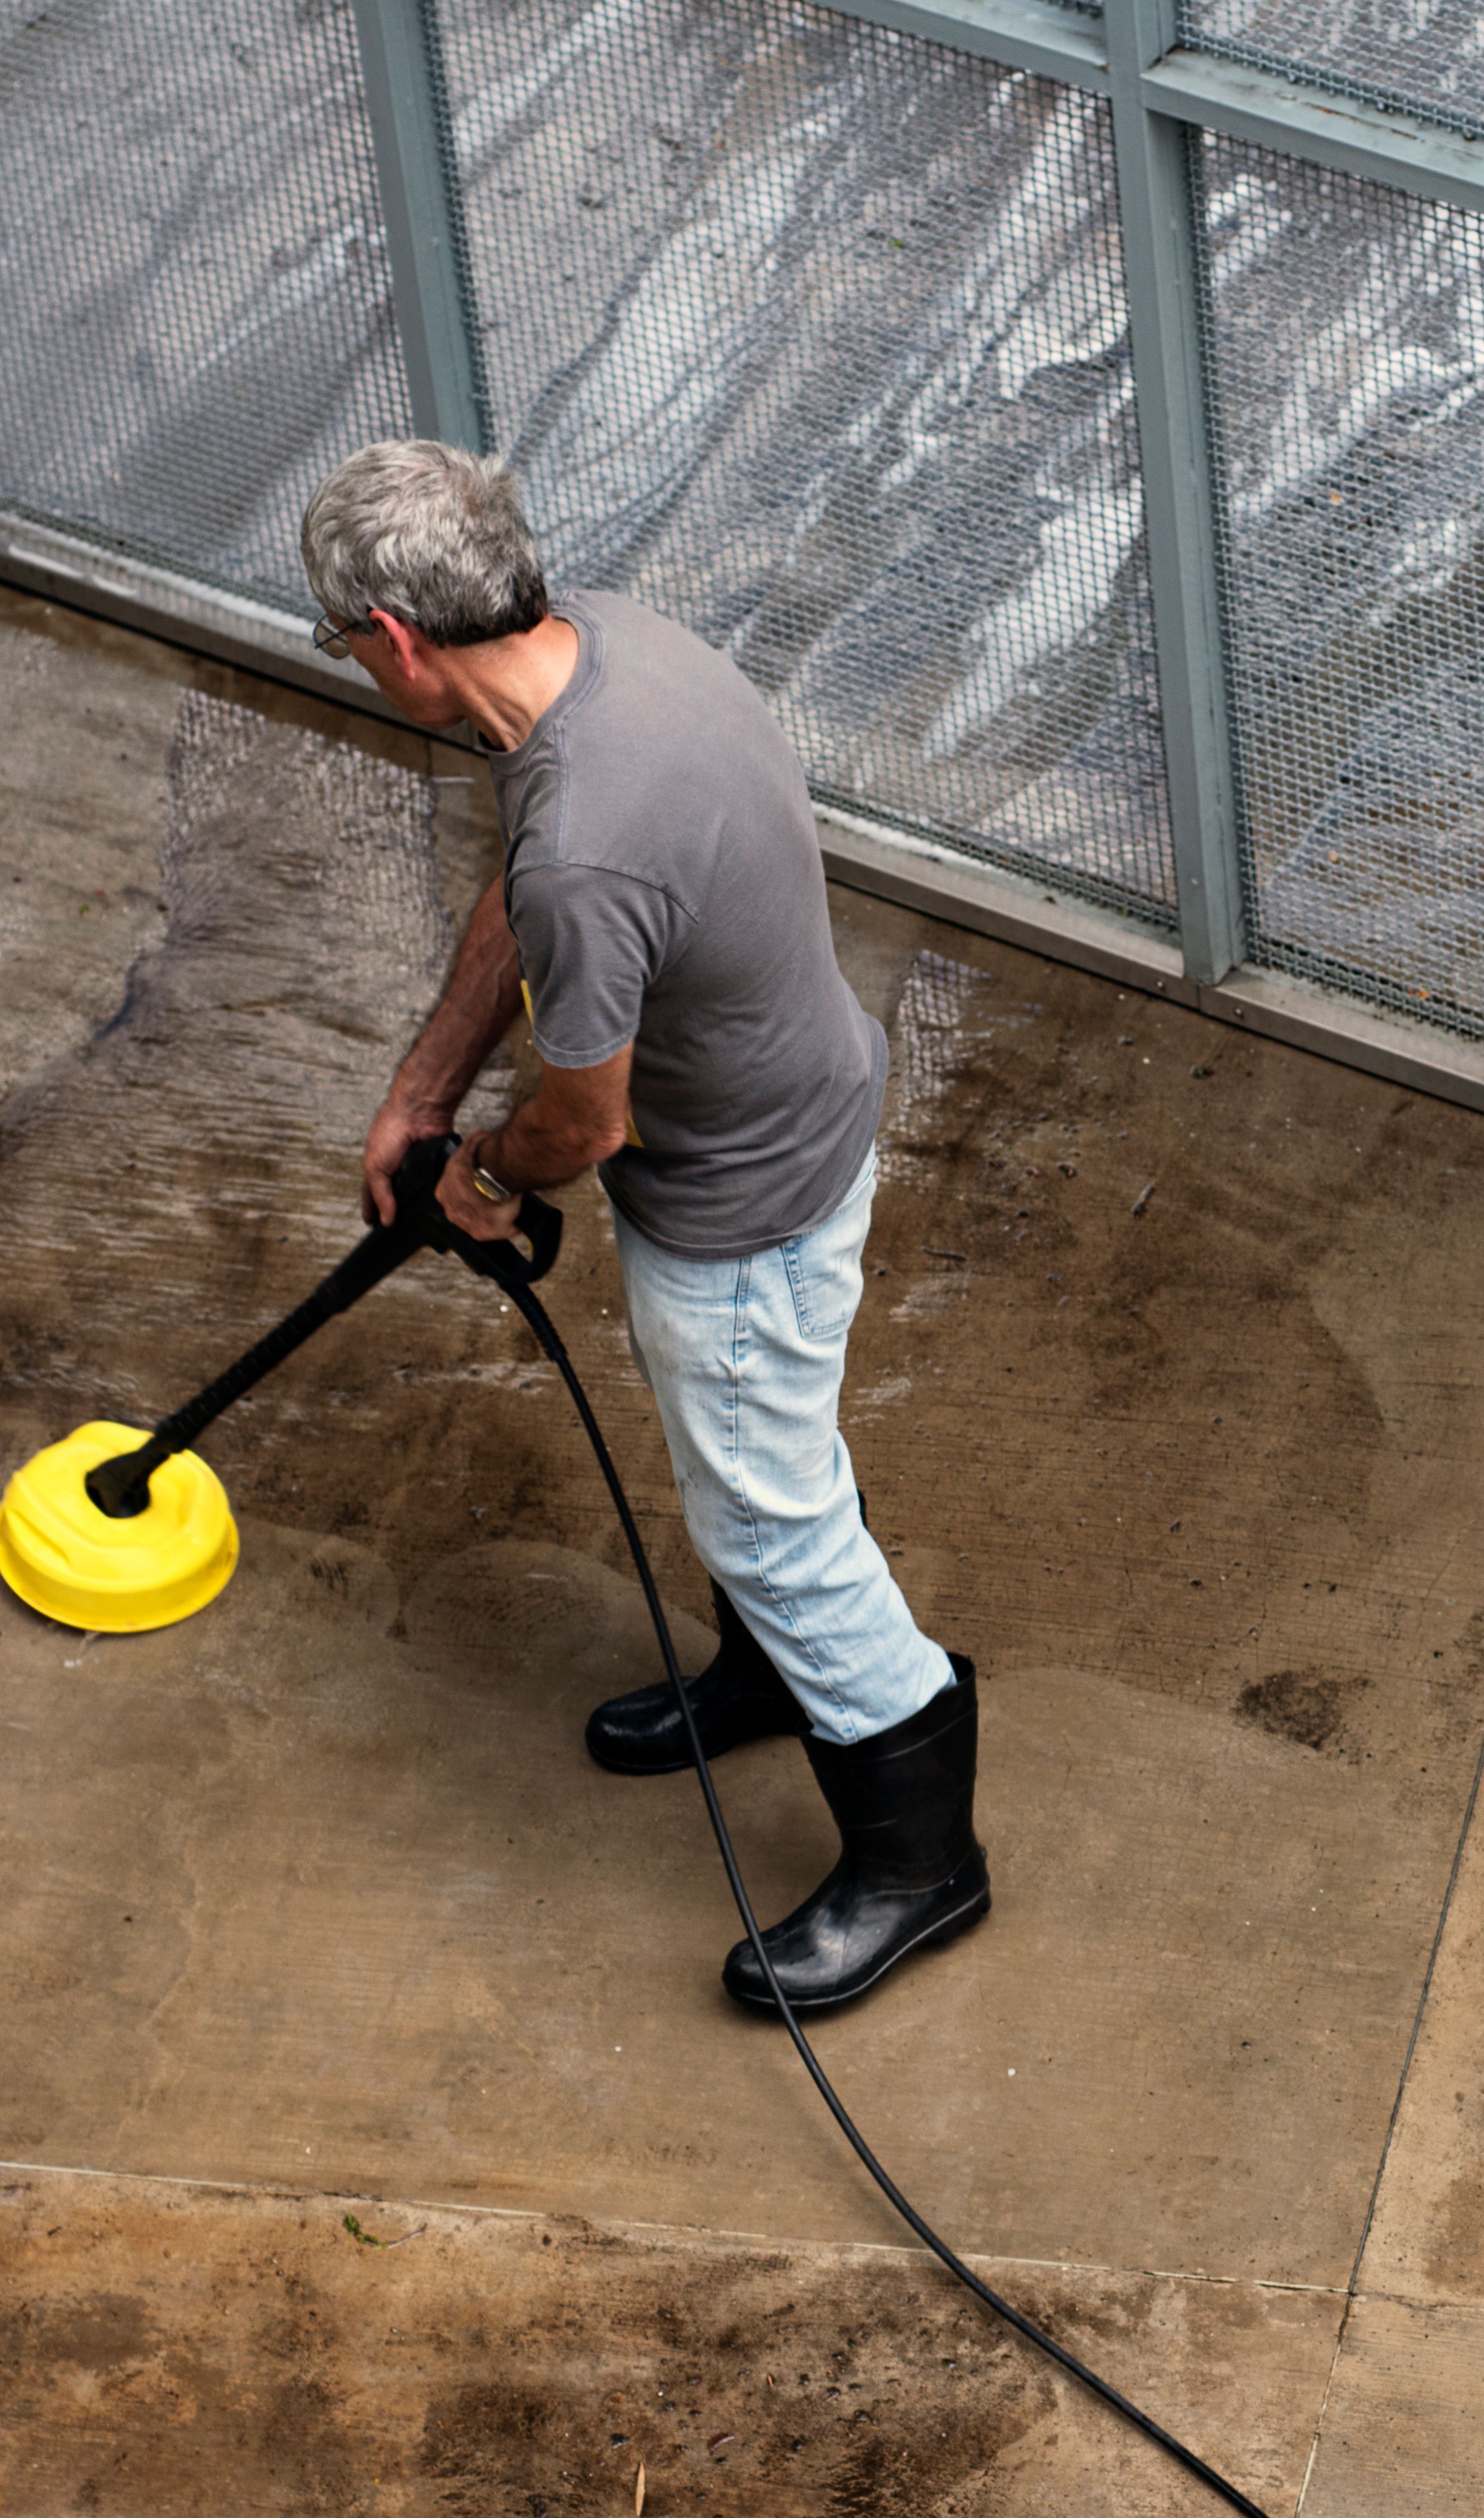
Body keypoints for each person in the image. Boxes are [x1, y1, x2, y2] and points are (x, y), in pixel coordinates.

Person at [301, 438, 984, 2014]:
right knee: (759, 1459)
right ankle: (766, 1672)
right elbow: (527, 895)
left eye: (346, 643)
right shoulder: (600, 654)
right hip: (804, 1110)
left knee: (768, 1517)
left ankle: (921, 1853)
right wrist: (425, 1093)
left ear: (397, 641)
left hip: (744, 1204)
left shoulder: (589, 840)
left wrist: (481, 1171)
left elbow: (585, 1123)